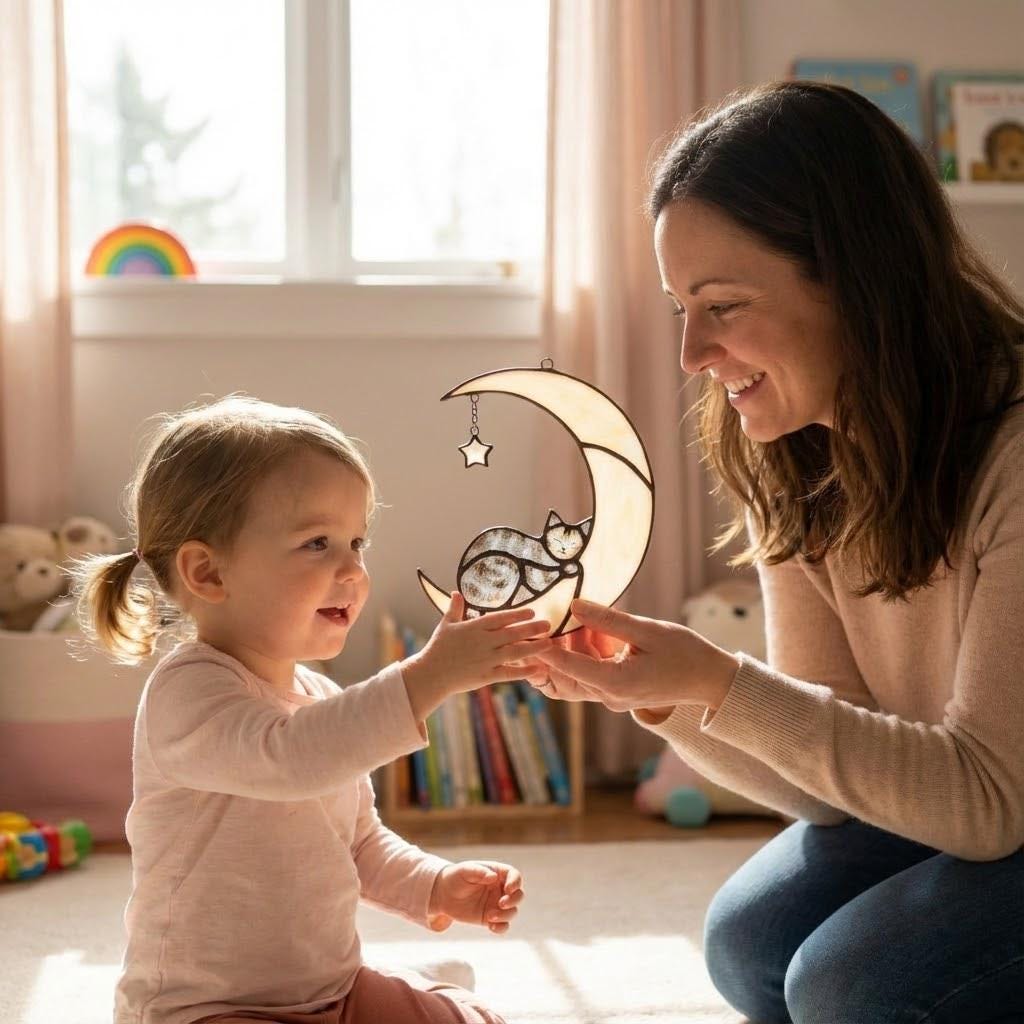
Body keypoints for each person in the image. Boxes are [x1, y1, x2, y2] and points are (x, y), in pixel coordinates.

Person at [522, 81, 1024, 1024]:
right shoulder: (799, 450)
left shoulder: (1014, 454)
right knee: (750, 943)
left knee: (851, 987)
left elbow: (990, 803)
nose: (691, 352)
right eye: (681, 307)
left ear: (857, 278)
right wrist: (669, 696)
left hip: (1004, 801)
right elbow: (825, 787)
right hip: (981, 806)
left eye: (722, 304)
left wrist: (724, 684)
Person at [75, 396, 552, 1024]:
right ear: (207, 572)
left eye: (358, 541)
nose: (353, 568)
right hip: (205, 1009)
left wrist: (435, 884)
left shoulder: (322, 701)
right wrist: (426, 676)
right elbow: (291, 757)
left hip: (331, 992)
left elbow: (357, 845)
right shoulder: (186, 695)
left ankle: (429, 991)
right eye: (317, 543)